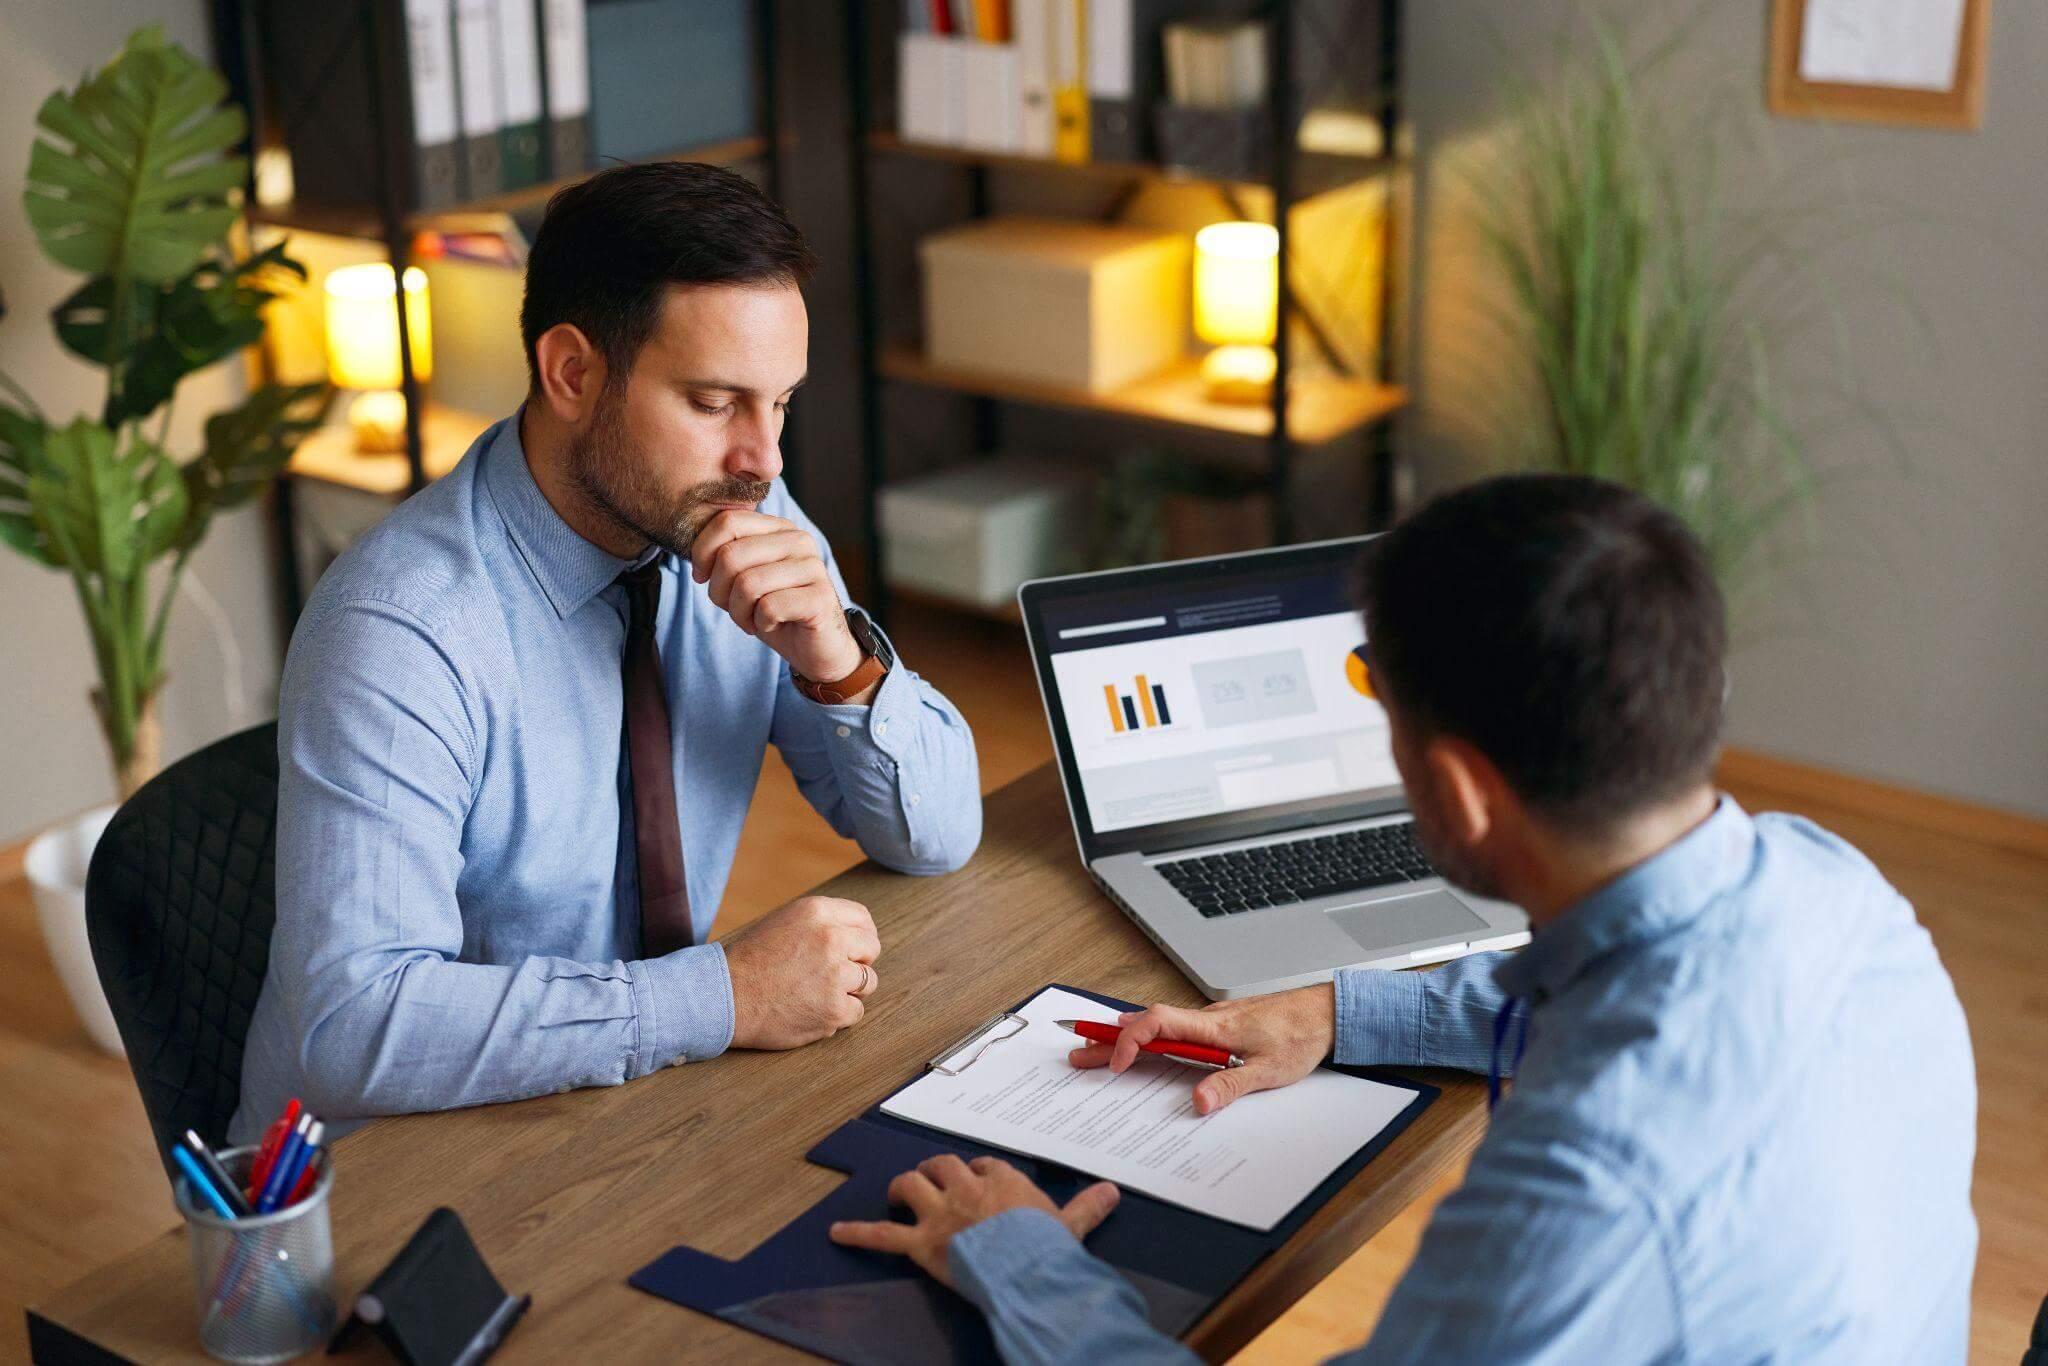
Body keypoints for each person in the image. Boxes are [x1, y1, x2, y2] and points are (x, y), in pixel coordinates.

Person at [832, 475, 1977, 1363]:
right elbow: (1625, 982)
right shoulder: (1837, 892)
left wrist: (1021, 1263)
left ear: (1461, 791)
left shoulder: (1583, 1194)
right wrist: (1339, 1011)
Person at [231, 163, 980, 1143]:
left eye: (781, 403)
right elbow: (353, 1027)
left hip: (616, 1111)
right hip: (391, 1169)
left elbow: (937, 837)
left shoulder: (739, 514)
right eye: (713, 402)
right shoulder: (400, 630)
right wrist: (723, 995)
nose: (764, 459)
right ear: (573, 375)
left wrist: (841, 665)